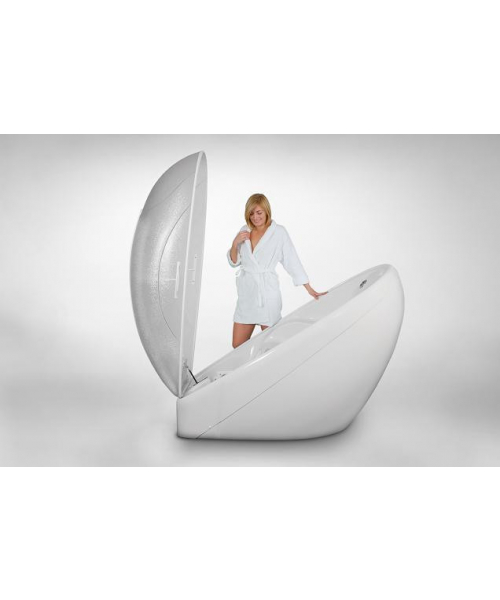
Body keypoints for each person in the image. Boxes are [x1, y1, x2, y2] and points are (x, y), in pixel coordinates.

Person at [227, 193, 327, 348]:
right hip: (247, 294)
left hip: (267, 293)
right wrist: (235, 244)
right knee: (238, 345)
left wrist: (309, 288)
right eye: (251, 213)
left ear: (267, 210)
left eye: (259, 212)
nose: (255, 217)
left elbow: (292, 260)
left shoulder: (279, 232)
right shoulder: (245, 230)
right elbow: (234, 262)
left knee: (272, 345)